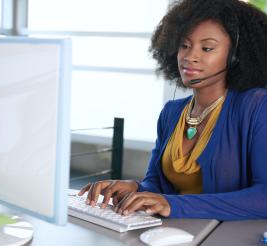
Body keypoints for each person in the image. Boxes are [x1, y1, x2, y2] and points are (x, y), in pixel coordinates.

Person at [79, 0, 267, 220]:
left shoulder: (256, 106)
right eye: (184, 45)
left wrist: (174, 205)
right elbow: (156, 183)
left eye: (207, 48)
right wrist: (134, 188)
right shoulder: (172, 112)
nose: (189, 56)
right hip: (176, 234)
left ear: (235, 56)